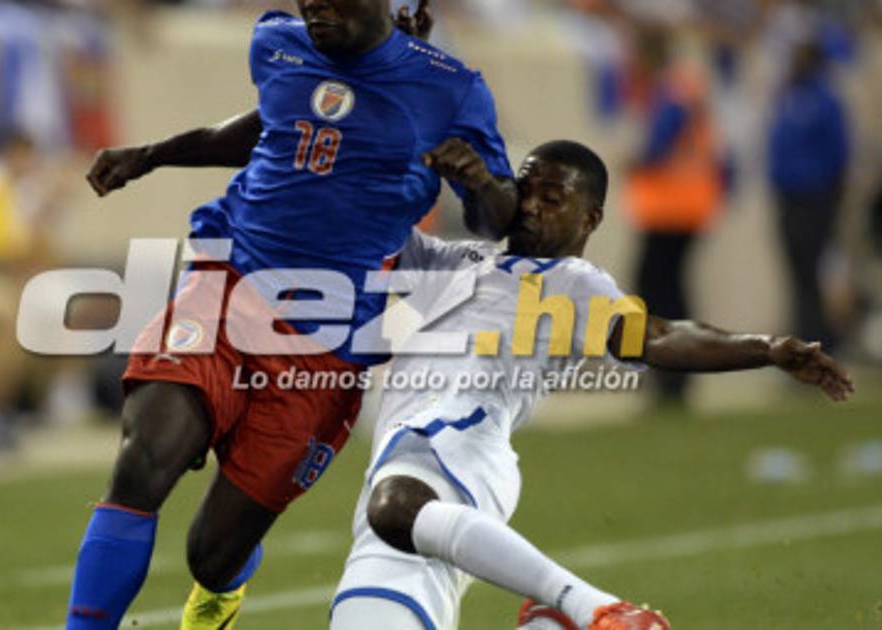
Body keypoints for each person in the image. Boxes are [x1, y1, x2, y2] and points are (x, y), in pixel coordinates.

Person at [67, 1, 516, 628]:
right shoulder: (278, 42)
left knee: (211, 555)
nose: (314, 8)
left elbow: (500, 220)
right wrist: (151, 155)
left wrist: (483, 184)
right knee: (143, 462)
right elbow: (272, 124)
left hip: (326, 341)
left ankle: (223, 588)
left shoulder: (450, 87)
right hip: (228, 282)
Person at [328, 140, 853, 630]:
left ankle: (595, 609)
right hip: (404, 481)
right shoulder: (455, 259)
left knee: (394, 506)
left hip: (456, 449)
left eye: (552, 198)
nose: (530, 207)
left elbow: (659, 336)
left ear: (590, 218)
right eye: (524, 192)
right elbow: (359, 224)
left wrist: (765, 348)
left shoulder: (574, 283)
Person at [624, 25, 726, 408]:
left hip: (671, 206)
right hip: (689, 204)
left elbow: (658, 144)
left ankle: (672, 374)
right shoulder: (684, 87)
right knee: (670, 287)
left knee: (657, 289)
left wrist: (635, 160)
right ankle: (677, 373)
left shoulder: (670, 92)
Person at [768, 40, 850, 350]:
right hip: (787, 196)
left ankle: (816, 338)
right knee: (796, 272)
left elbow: (838, 151)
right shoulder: (787, 96)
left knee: (811, 269)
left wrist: (831, 195)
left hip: (814, 197)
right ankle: (804, 334)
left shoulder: (825, 100)